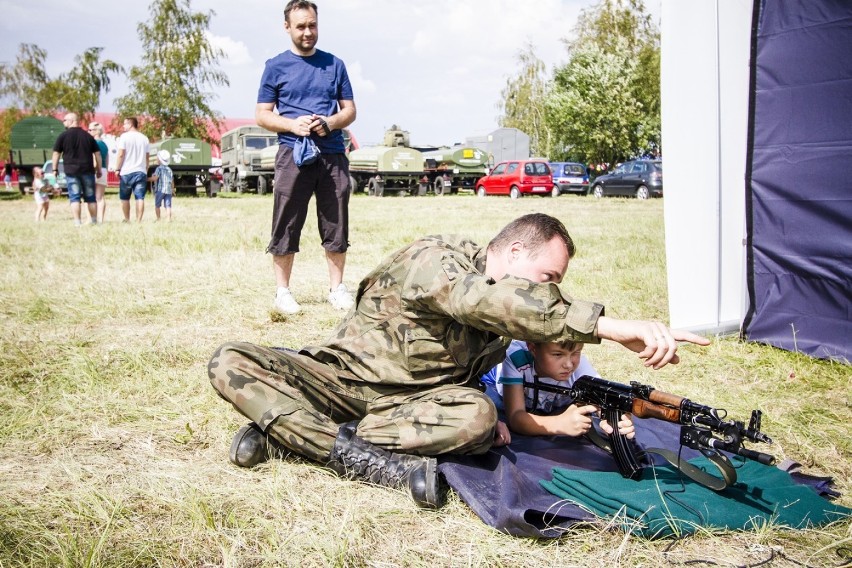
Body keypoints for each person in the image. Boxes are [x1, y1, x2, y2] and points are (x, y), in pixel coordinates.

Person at [208, 213, 710, 509]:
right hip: (342, 381)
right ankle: (355, 457)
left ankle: (291, 437)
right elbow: (483, 302)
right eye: (548, 276)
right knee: (229, 359)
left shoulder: (516, 300)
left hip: (409, 411)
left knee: (478, 417)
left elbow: (530, 340)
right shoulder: (438, 260)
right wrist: (611, 327)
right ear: (514, 250)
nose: (551, 289)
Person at [255, 0, 357, 315]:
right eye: (301, 26)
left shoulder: (335, 64)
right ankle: (283, 293)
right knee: (286, 220)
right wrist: (292, 124)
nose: (308, 32)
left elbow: (350, 110)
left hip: (332, 155)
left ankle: (337, 289)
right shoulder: (275, 66)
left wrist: (330, 122)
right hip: (292, 155)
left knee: (336, 221)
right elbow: (261, 115)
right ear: (287, 27)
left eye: (312, 24)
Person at [480, 339, 634, 441]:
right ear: (532, 347)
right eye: (558, 354)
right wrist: (559, 424)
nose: (568, 364)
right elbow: (516, 418)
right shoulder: (515, 358)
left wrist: (616, 419)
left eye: (576, 353)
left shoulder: (580, 368)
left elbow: (604, 398)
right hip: (493, 386)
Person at [52, 113, 101, 226]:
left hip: (71, 171)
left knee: (74, 197)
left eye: (64, 120)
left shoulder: (63, 136)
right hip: (88, 170)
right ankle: (94, 221)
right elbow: (97, 154)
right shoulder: (88, 136)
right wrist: (99, 169)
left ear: (71, 121)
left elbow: (56, 154)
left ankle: (77, 223)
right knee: (90, 197)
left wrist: (54, 169)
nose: (63, 122)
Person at [112, 117, 150, 222]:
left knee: (125, 197)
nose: (123, 126)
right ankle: (138, 220)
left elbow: (121, 154)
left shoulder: (124, 137)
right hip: (141, 171)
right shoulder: (144, 138)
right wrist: (146, 169)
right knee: (140, 197)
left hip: (126, 171)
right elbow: (147, 157)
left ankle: (127, 219)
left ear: (130, 124)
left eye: (125, 124)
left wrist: (117, 168)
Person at [88, 122, 109, 223]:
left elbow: (95, 157)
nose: (88, 132)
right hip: (104, 169)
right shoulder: (104, 144)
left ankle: (91, 218)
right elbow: (107, 158)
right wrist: (106, 170)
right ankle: (101, 219)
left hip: (95, 169)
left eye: (90, 130)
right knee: (100, 197)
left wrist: (96, 169)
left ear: (96, 131)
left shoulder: (93, 143)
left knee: (90, 196)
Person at [149, 149, 175, 221]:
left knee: (157, 205)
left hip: (160, 190)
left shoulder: (158, 169)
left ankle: (158, 218)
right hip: (168, 190)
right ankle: (168, 218)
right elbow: (172, 181)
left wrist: (147, 179)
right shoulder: (169, 169)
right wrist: (173, 190)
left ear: (159, 160)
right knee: (168, 205)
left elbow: (155, 178)